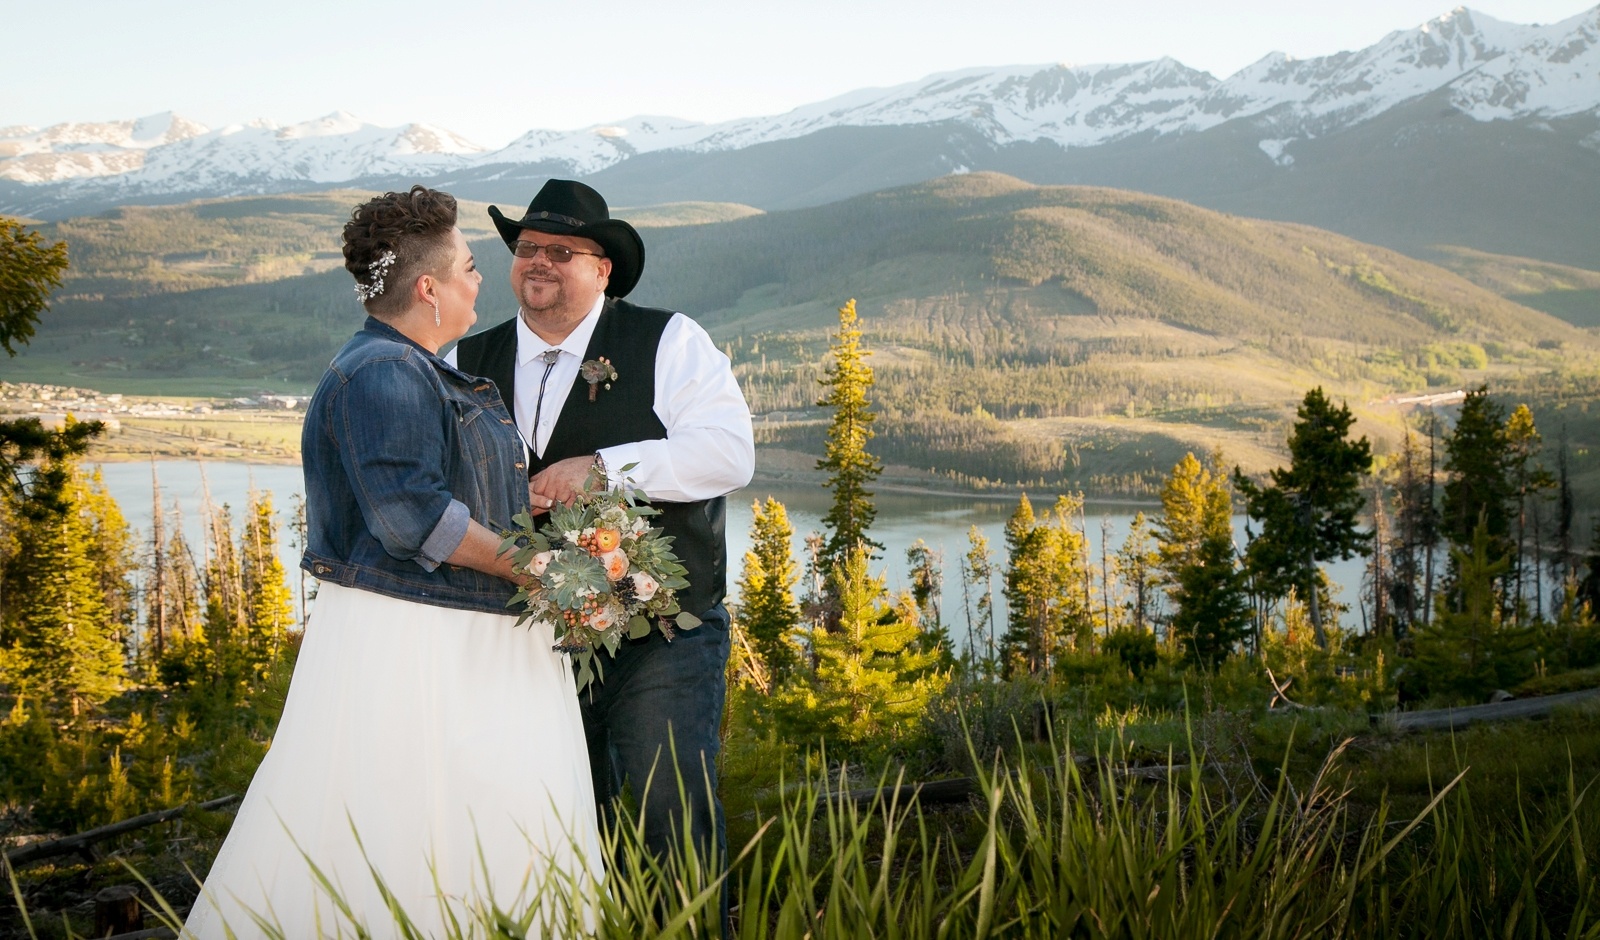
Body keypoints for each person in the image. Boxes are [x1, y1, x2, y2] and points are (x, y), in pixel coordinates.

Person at [185, 186, 601, 938]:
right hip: (418, 649)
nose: (483, 282)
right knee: (409, 827)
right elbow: (414, 517)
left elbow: (445, 497)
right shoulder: (384, 373)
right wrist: (539, 572)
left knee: (478, 828)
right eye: (472, 268)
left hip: (460, 640)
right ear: (429, 287)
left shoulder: (416, 369)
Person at [449, 179, 753, 892]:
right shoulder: (467, 363)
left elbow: (729, 454)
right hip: (524, 643)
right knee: (551, 830)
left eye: (563, 249)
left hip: (662, 639)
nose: (540, 262)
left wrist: (607, 469)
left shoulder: (668, 340)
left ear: (603, 269)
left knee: (667, 824)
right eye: (528, 248)